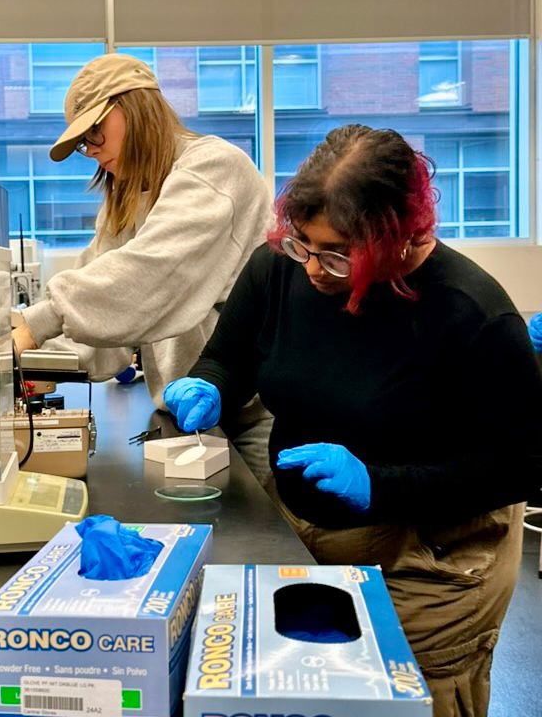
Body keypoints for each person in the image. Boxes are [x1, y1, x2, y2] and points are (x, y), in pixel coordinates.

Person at [164, 124, 542, 717]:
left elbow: (524, 464)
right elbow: (229, 354)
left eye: (337, 252)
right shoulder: (284, 267)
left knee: (406, 701)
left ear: (398, 235)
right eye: (302, 243)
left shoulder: (472, 313)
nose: (312, 267)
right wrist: (210, 383)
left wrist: (381, 485)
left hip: (431, 557)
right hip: (307, 530)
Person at [0, 53, 274, 481]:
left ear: (134, 107)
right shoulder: (127, 196)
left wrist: (33, 326)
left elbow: (146, 278)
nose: (92, 149)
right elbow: (109, 325)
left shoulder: (214, 168)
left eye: (95, 130)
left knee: (259, 543)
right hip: (186, 418)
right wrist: (28, 361)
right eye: (84, 142)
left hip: (248, 418)